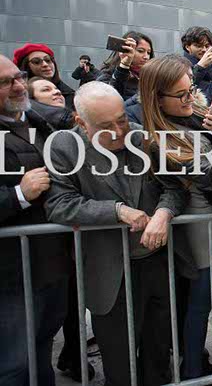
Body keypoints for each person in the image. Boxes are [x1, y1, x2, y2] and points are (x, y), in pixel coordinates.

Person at [45, 82, 187, 386]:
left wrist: (164, 213)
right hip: (108, 272)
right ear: (82, 123)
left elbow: (173, 188)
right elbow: (59, 204)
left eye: (121, 119)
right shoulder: (64, 148)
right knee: (120, 367)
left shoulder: (141, 137)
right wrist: (117, 211)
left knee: (158, 358)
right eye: (106, 126)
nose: (119, 131)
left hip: (157, 265)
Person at [138, 55, 212, 382]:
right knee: (199, 306)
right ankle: (193, 372)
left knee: (195, 305)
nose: (190, 98)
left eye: (191, 90)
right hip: (200, 228)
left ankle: (193, 364)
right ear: (157, 99)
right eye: (181, 95)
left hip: (207, 223)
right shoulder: (162, 137)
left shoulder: (193, 118)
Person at [0, 56, 72, 386]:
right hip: (11, 273)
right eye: (6, 82)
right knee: (14, 363)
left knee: (42, 347)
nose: (18, 86)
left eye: (18, 77)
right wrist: (18, 194)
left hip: (52, 262)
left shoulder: (40, 121)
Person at [13, 43, 75, 109]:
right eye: (36, 62)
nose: (45, 64)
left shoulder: (71, 94)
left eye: (48, 60)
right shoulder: (16, 97)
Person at [99, 30, 155, 101]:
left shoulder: (151, 76)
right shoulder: (108, 72)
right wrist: (123, 67)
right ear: (126, 50)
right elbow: (108, 99)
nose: (146, 57)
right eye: (140, 51)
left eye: (148, 53)